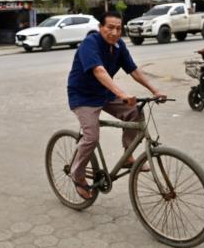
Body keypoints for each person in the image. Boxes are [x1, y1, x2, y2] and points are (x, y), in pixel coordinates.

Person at [67, 11, 165, 200]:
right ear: (100, 28)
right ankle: (77, 173)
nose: (114, 32)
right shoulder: (90, 43)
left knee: (135, 112)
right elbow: (99, 70)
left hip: (105, 94)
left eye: (118, 28)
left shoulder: (119, 46)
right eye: (110, 27)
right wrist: (122, 94)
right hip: (83, 97)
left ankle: (128, 156)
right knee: (92, 137)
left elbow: (134, 70)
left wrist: (155, 90)